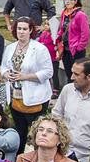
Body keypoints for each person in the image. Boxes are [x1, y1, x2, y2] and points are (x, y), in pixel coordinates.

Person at [3, 18, 54, 150]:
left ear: (30, 30)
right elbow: (3, 67)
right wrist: (6, 74)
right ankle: (19, 159)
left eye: (25, 29)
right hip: (15, 97)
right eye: (19, 29)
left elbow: (48, 72)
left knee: (37, 132)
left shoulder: (39, 49)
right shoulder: (10, 48)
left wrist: (25, 77)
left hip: (35, 98)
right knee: (20, 132)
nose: (21, 32)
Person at [53, 0, 90, 84]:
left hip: (75, 50)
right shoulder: (64, 13)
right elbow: (61, 29)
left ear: (76, 1)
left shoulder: (80, 15)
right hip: (65, 49)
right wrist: (57, 41)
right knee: (69, 74)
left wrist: (79, 47)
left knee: (78, 74)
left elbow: (85, 34)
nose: (67, 2)